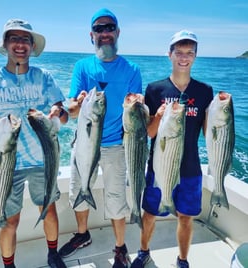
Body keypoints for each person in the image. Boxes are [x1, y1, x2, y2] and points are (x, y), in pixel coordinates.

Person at [0, 19, 68, 268]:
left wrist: (57, 112)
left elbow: (62, 113)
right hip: (6, 164)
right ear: (6, 44)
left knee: (48, 210)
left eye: (25, 39)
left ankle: (53, 253)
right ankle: (9, 265)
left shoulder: (44, 77)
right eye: (14, 39)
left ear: (32, 46)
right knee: (10, 221)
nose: (20, 44)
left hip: (44, 158)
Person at [58, 8, 143, 268]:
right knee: (77, 191)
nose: (104, 33)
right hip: (84, 142)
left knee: (117, 199)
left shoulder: (132, 69)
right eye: (99, 29)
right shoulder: (82, 67)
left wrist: (140, 105)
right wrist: (75, 105)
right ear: (91, 35)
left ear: (117, 32)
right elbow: (72, 110)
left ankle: (120, 246)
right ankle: (82, 234)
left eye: (109, 28)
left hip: (116, 145)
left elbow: (136, 112)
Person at [131, 30, 213, 268]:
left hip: (190, 168)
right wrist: (156, 116)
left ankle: (183, 259)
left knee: (186, 217)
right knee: (149, 214)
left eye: (189, 53)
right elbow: (148, 133)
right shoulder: (156, 89)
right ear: (169, 55)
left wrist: (220, 117)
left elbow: (209, 133)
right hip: (159, 165)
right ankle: (144, 251)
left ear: (195, 56)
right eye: (179, 52)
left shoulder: (204, 91)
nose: (184, 58)